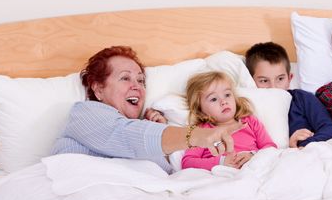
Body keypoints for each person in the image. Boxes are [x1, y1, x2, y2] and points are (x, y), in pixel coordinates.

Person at [52, 46, 242, 174]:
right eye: (125, 78)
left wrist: (163, 149)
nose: (137, 86)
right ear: (98, 88)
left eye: (141, 80)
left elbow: (165, 177)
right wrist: (194, 136)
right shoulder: (85, 113)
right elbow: (124, 135)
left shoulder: (145, 126)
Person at [245, 42, 332, 147]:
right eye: (264, 81)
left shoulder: (302, 99)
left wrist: (302, 144)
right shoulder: (249, 109)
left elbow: (331, 129)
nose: (273, 87)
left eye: (280, 79)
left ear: (289, 78)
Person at [182, 71, 276, 170]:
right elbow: (187, 162)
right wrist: (221, 161)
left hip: (254, 168)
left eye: (227, 95)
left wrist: (253, 155)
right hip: (222, 175)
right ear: (201, 111)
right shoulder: (202, 132)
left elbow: (270, 148)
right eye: (213, 99)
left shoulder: (250, 121)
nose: (223, 102)